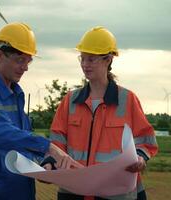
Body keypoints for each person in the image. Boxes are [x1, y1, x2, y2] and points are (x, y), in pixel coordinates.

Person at [0, 22, 82, 200]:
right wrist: (47, 146)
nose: (25, 67)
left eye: (28, 61)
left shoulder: (16, 94)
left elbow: (20, 142)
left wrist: (43, 162)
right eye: (20, 60)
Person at [46, 26, 159, 200]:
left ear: (108, 60)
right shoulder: (70, 100)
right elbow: (56, 140)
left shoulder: (127, 99)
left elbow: (145, 140)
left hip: (115, 192)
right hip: (74, 191)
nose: (85, 65)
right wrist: (51, 161)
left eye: (91, 59)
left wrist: (140, 157)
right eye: (82, 59)